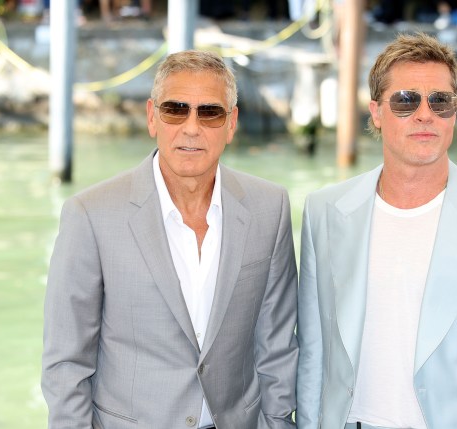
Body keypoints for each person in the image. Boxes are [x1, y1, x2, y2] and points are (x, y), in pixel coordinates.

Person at [296, 32, 457, 429]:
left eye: (440, 101)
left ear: (454, 112)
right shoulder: (324, 211)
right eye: (405, 100)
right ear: (376, 112)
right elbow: (312, 353)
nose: (424, 114)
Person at [42, 50, 299, 428]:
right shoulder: (90, 214)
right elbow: (67, 363)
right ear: (151, 117)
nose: (191, 127)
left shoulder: (270, 208)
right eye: (175, 110)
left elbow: (276, 347)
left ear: (231, 124)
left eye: (210, 112)